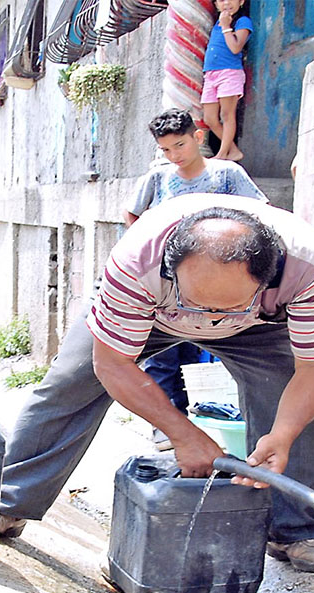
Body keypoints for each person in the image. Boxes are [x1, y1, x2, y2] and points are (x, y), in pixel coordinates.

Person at [0, 194, 314, 573]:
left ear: (267, 279)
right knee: (69, 384)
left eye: (225, 306)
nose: (208, 318)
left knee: (298, 409)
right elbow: (113, 364)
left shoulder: (310, 268)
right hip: (153, 316)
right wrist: (182, 434)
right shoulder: (138, 261)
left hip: (257, 329)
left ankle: (296, 530)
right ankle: (8, 503)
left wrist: (282, 434)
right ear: (171, 268)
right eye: (198, 300)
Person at [125, 108, 268, 449]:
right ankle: (166, 426)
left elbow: (260, 212)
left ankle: (211, 421)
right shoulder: (157, 180)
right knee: (161, 356)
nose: (175, 155)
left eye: (180, 145)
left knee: (208, 355)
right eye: (166, 150)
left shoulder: (227, 175)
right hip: (167, 283)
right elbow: (133, 218)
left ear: (198, 138)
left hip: (220, 281)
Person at [201, 0, 253, 162]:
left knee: (227, 114)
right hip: (211, 75)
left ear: (241, 1)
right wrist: (222, 24)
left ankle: (223, 154)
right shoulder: (218, 23)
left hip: (229, 73)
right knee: (209, 118)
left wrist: (226, 26)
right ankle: (233, 151)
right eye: (221, 0)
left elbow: (235, 47)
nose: (227, 3)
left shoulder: (242, 22)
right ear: (216, 5)